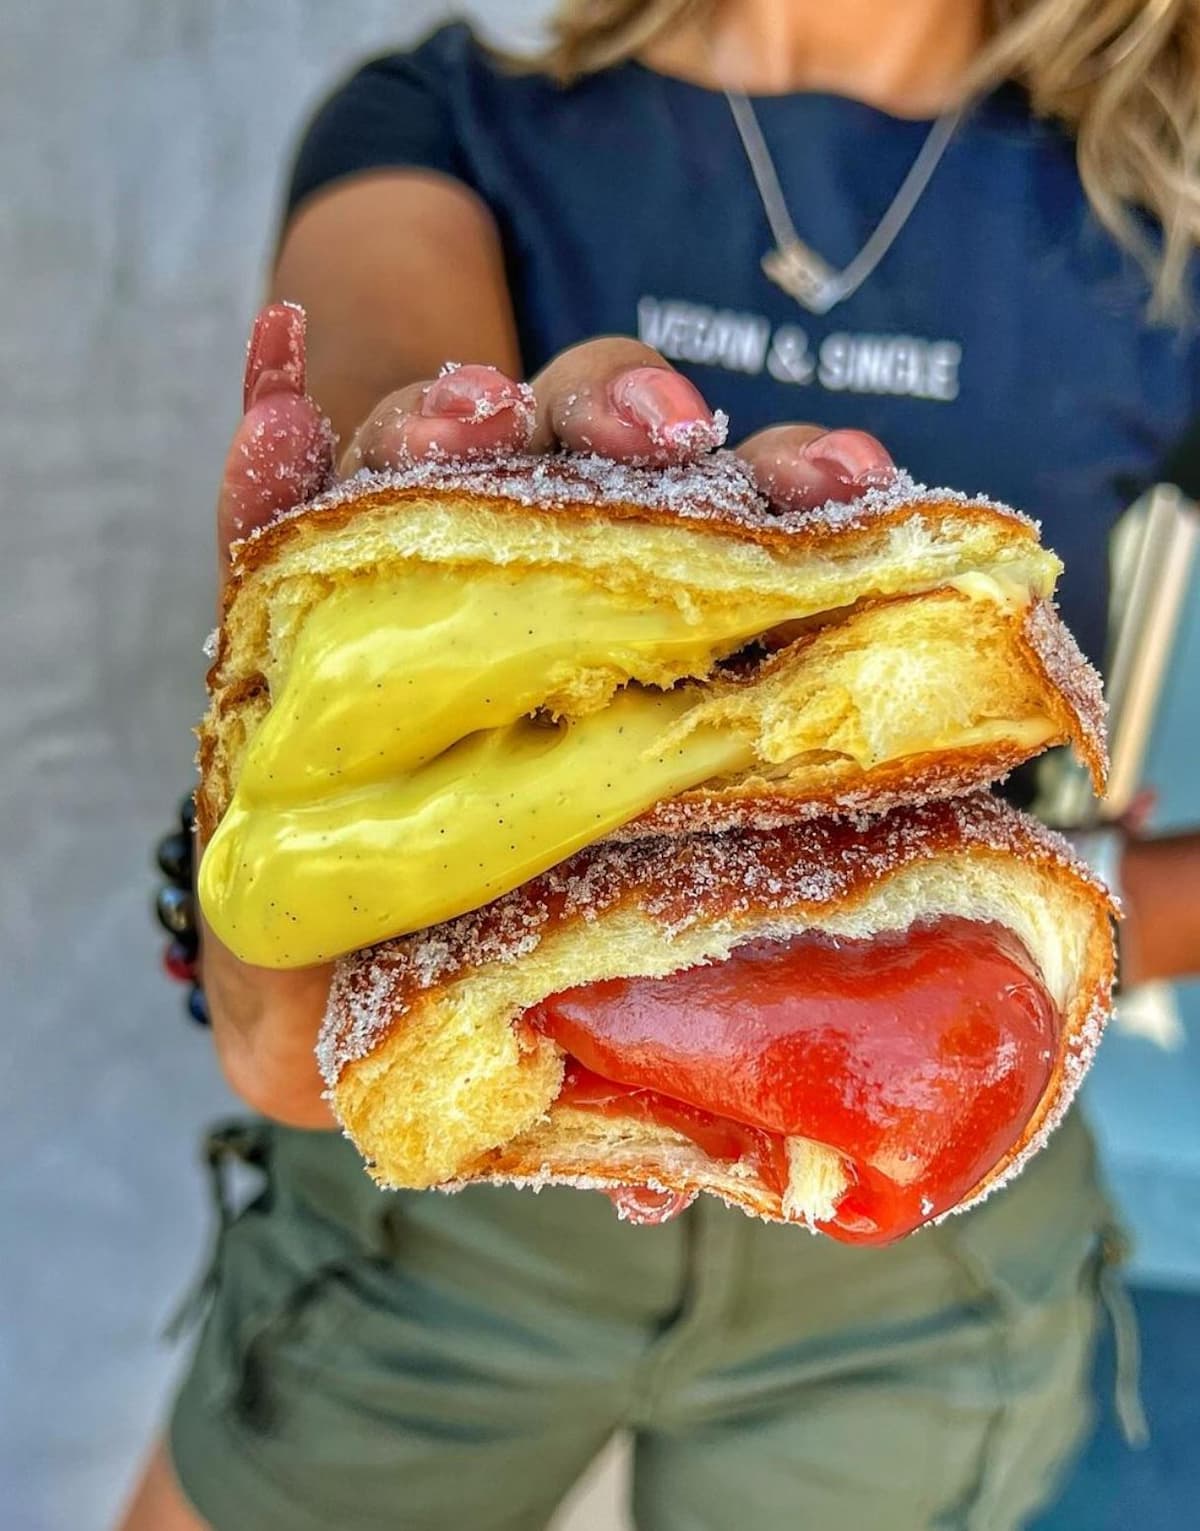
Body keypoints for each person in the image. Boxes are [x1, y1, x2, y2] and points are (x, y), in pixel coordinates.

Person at [120, 2, 1200, 1527]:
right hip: (442, 1211)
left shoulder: (1161, 215)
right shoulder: (444, 121)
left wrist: (1012, 927)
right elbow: (362, 585)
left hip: (923, 1227)